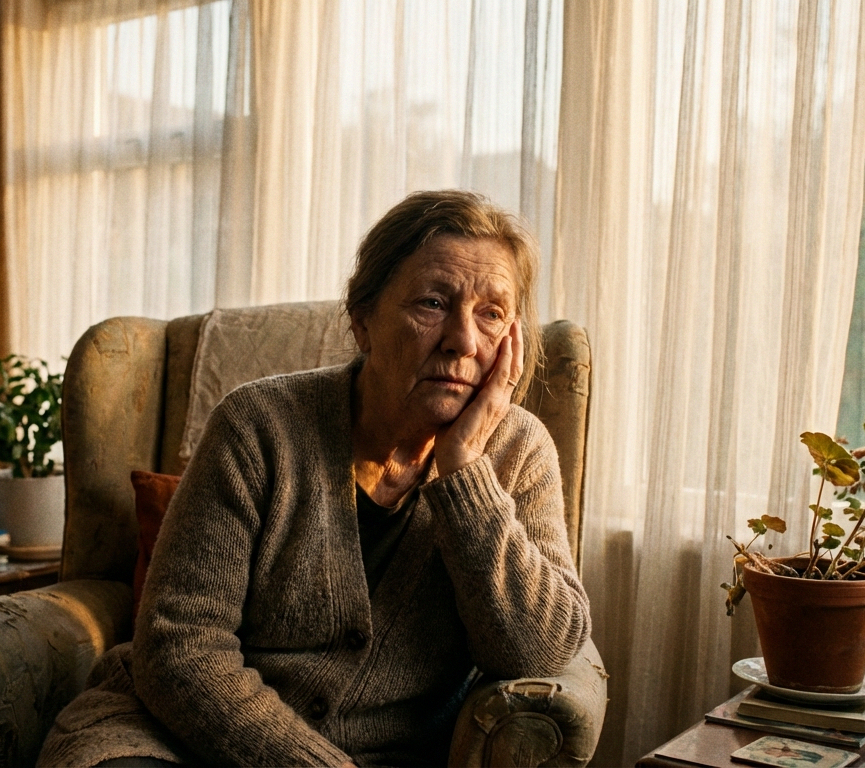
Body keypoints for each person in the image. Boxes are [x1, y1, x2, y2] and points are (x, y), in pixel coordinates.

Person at [37, 190, 591, 767]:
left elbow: (540, 651)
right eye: (432, 303)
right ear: (363, 321)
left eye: (492, 313)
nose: (464, 340)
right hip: (172, 735)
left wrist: (465, 474)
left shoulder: (519, 452)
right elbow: (182, 649)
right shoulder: (257, 426)